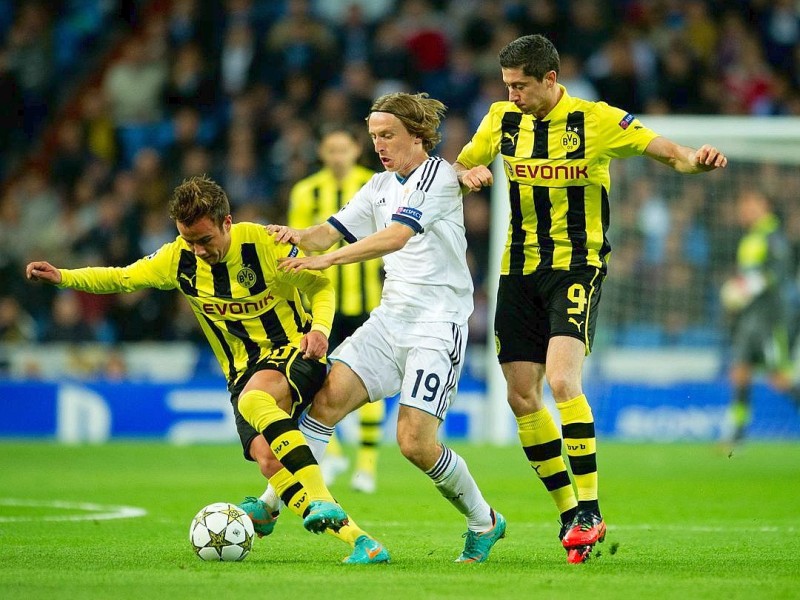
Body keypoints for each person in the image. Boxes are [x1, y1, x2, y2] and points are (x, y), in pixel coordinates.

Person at [453, 34, 728, 564]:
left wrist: (699, 158)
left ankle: (591, 508)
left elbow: (670, 155)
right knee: (520, 396)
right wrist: (468, 174)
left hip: (577, 266)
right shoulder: (500, 119)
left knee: (561, 379)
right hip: (518, 270)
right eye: (507, 86)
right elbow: (461, 167)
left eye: (522, 87)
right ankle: (569, 515)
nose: (513, 96)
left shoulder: (599, 120)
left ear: (552, 80)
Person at [25, 174, 389, 565]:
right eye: (189, 240)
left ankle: (320, 498)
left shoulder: (264, 243)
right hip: (240, 371)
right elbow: (122, 276)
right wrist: (64, 277)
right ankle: (361, 541)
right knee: (268, 460)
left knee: (256, 400)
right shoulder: (177, 258)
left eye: (205, 240)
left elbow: (319, 285)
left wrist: (319, 329)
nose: (198, 250)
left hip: (294, 351)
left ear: (226, 223)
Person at [269, 92, 506, 563]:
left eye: (388, 135)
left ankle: (485, 520)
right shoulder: (378, 184)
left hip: (436, 326)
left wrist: (326, 260)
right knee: (324, 401)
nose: (378, 144)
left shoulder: (438, 176)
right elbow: (327, 231)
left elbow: (396, 236)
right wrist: (293, 236)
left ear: (416, 136)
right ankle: (270, 504)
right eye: (374, 135)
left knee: (414, 442)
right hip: (389, 320)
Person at [288, 125, 386, 494]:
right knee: (315, 378)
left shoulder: (376, 184)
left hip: (368, 301)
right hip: (322, 305)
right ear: (322, 153)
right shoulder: (305, 191)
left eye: (343, 149)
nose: (337, 156)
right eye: (330, 149)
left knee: (369, 380)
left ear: (355, 150)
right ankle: (335, 454)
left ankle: (366, 467)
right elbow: (298, 244)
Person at [719, 188, 800, 444]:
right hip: (750, 317)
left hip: (771, 318)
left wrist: (744, 288)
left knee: (779, 379)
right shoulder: (752, 237)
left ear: (763, 205)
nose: (744, 210)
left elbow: (779, 272)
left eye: (749, 203)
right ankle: (737, 434)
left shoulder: (773, 236)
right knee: (740, 371)